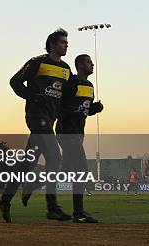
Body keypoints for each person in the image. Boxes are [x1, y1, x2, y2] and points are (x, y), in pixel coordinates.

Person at [0, 28, 72, 223]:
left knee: (27, 163)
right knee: (55, 155)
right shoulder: (37, 62)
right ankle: (52, 207)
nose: (66, 45)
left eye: (66, 42)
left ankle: (5, 199)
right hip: (36, 116)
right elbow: (15, 82)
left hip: (50, 120)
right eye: (63, 42)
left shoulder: (66, 69)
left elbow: (66, 98)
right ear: (52, 44)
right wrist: (32, 97)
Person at [56, 54, 103, 223]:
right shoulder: (71, 82)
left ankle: (39, 179)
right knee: (81, 170)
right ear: (80, 65)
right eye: (89, 62)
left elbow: (85, 110)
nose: (92, 65)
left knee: (72, 170)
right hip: (66, 132)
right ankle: (78, 212)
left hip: (78, 133)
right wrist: (74, 112)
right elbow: (60, 107)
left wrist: (95, 109)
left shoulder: (89, 86)